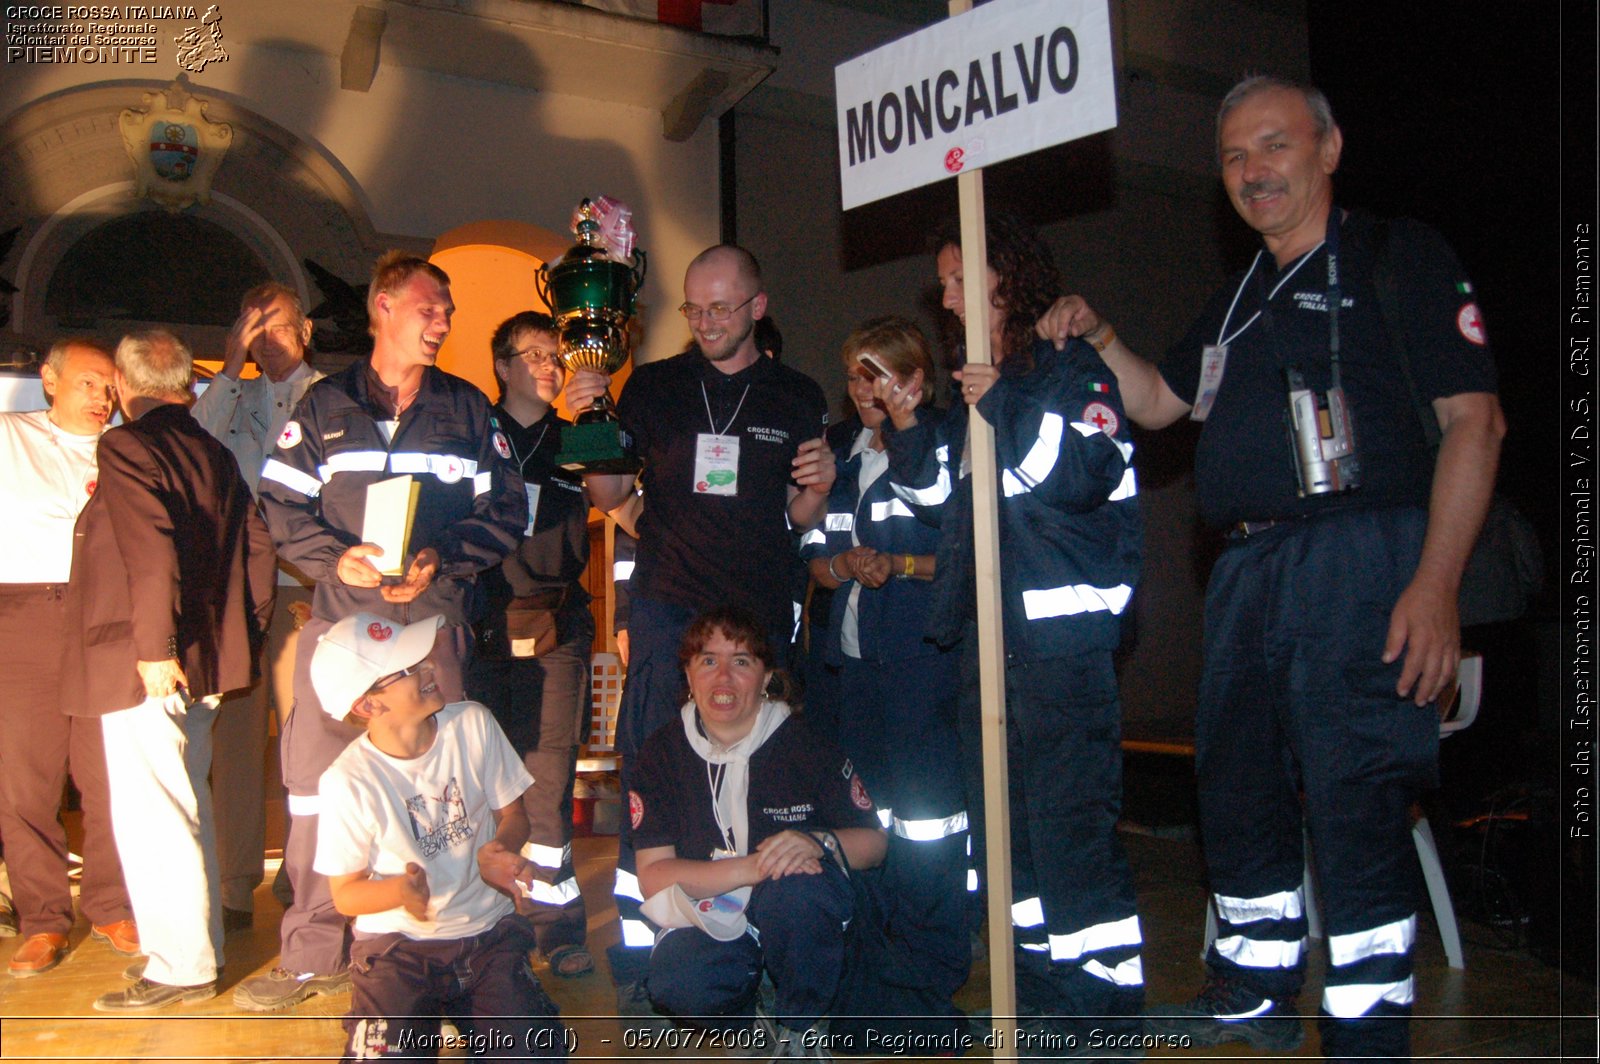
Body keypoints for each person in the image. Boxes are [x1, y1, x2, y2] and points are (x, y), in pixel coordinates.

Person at [1039, 76, 1504, 1061]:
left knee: (1353, 800)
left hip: (1362, 557)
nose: (1254, 170)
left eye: (1275, 146)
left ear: (1327, 150)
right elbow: (1162, 400)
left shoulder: (1395, 255)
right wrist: (1096, 332)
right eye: (1234, 157)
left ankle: (1367, 1031)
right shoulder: (1242, 294)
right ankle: (1251, 990)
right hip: (1247, 569)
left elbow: (1475, 423)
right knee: (1238, 792)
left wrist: (1433, 585)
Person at [879, 213, 1145, 1042]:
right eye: (945, 282)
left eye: (961, 279)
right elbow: (941, 511)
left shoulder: (1071, 372)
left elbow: (1071, 474)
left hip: (1061, 656)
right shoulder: (976, 388)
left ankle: (1099, 1024)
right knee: (1008, 855)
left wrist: (1001, 401)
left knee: (1071, 845)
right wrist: (909, 424)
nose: (947, 297)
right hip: (986, 659)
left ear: (1010, 279)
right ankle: (1035, 1003)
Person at [246, 252, 526, 1012]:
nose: (443, 322)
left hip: (432, 620)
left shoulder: (468, 410)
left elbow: (506, 512)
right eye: (429, 308)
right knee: (315, 781)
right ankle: (312, 952)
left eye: (447, 313)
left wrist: (442, 559)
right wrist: (339, 561)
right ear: (382, 309)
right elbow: (277, 506)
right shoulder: (322, 406)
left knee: (443, 779)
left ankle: (438, 932)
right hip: (343, 618)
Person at [565, 244, 835, 999]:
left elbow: (797, 515)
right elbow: (607, 491)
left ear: (756, 306)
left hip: (757, 616)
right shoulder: (652, 386)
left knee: (766, 777)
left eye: (722, 307)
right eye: (694, 308)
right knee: (654, 770)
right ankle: (645, 953)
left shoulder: (798, 394)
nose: (707, 321)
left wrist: (820, 492)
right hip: (670, 609)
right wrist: (589, 414)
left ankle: (754, 937)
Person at [60, 329, 277, 1010]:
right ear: (185, 385)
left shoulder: (128, 444)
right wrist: (238, 638)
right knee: (189, 808)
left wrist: (154, 651)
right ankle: (194, 946)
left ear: (123, 386)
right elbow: (260, 554)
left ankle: (181, 968)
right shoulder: (213, 451)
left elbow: (150, 554)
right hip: (209, 661)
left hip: (145, 662)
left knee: (156, 815)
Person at [309, 612, 566, 1062]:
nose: (430, 669)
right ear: (368, 705)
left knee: (532, 1055)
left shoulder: (472, 723)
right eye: (409, 670)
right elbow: (346, 895)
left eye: (423, 659)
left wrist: (501, 848)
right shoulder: (347, 781)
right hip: (397, 950)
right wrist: (399, 892)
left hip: (486, 935)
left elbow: (514, 813)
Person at [801, 316, 969, 999]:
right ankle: (873, 953)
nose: (863, 389)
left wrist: (897, 563)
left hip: (920, 664)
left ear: (915, 381)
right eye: (854, 376)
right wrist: (842, 562)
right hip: (849, 670)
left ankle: (934, 962)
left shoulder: (946, 441)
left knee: (927, 824)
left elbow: (970, 556)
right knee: (863, 819)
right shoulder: (839, 450)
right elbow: (813, 561)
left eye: (879, 374)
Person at [631, 606, 886, 1054]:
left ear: (767, 678)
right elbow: (654, 875)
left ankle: (804, 1023)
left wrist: (817, 841)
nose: (723, 678)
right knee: (678, 983)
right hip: (712, 905)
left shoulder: (805, 742)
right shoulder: (661, 752)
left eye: (742, 661)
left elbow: (875, 844)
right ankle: (750, 1020)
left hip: (794, 910)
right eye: (708, 660)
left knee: (800, 892)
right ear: (688, 675)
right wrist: (753, 866)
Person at [0, 338, 138, 978]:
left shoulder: (127, 448)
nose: (101, 397)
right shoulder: (8, 436)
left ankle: (111, 904)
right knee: (26, 780)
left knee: (107, 776)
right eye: (87, 383)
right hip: (22, 616)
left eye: (109, 385)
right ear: (48, 380)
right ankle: (44, 919)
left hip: (105, 622)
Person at [464, 311, 596, 978]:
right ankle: (487, 927)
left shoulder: (578, 439)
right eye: (534, 354)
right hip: (483, 625)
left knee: (549, 777)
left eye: (556, 355)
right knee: (482, 777)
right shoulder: (469, 434)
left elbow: (621, 501)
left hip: (556, 627)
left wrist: (601, 421)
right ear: (503, 364)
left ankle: (557, 925)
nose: (549, 366)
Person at [192, 281, 324, 932]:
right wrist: (229, 365)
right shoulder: (231, 393)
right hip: (238, 586)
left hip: (303, 585)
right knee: (234, 738)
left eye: (277, 326)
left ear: (305, 333)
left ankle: (302, 873)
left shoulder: (329, 394)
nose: (266, 338)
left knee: (304, 734)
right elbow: (191, 444)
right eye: (253, 326)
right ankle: (235, 881)